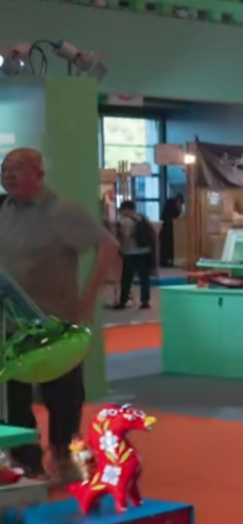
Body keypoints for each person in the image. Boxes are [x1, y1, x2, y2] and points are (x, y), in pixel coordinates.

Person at [0, 148, 117, 479]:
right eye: (4, 168)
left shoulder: (63, 211)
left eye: (17, 168)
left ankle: (64, 458)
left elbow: (108, 246)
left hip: (55, 323)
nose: (8, 174)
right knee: (14, 400)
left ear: (39, 174)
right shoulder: (3, 210)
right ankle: (28, 462)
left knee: (63, 398)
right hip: (12, 325)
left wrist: (87, 300)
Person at [112, 200, 155, 310]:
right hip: (145, 251)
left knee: (126, 278)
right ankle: (145, 301)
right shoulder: (143, 218)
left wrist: (121, 248)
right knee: (144, 278)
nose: (121, 212)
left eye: (122, 210)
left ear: (126, 209)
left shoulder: (124, 221)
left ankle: (123, 301)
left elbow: (126, 236)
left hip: (131, 252)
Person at [159, 193, 183, 267]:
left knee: (164, 246)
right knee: (169, 246)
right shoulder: (173, 204)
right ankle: (168, 261)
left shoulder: (169, 202)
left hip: (165, 227)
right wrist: (179, 209)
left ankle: (164, 261)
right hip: (170, 228)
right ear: (179, 200)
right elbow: (177, 214)